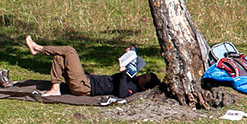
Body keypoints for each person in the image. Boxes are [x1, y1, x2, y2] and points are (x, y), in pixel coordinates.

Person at [23, 36, 160, 98]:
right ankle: (55, 88)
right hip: (84, 81)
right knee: (59, 58)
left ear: (144, 86)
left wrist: (123, 73)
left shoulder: (133, 88)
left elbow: (122, 94)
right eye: (144, 74)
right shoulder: (132, 77)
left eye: (144, 78)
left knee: (70, 51)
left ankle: (38, 48)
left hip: (84, 86)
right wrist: (129, 53)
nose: (141, 76)